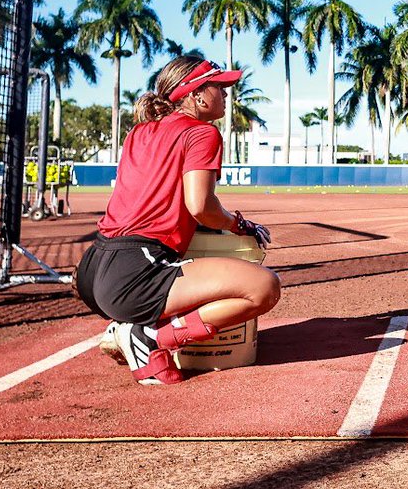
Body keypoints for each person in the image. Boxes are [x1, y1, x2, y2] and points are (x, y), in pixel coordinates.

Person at [75, 57, 281, 385]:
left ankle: (133, 325)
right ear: (197, 94)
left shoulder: (140, 131)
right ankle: (152, 338)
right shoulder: (203, 133)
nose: (227, 94)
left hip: (94, 267)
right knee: (263, 287)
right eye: (220, 87)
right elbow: (201, 206)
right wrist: (239, 224)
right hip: (136, 271)